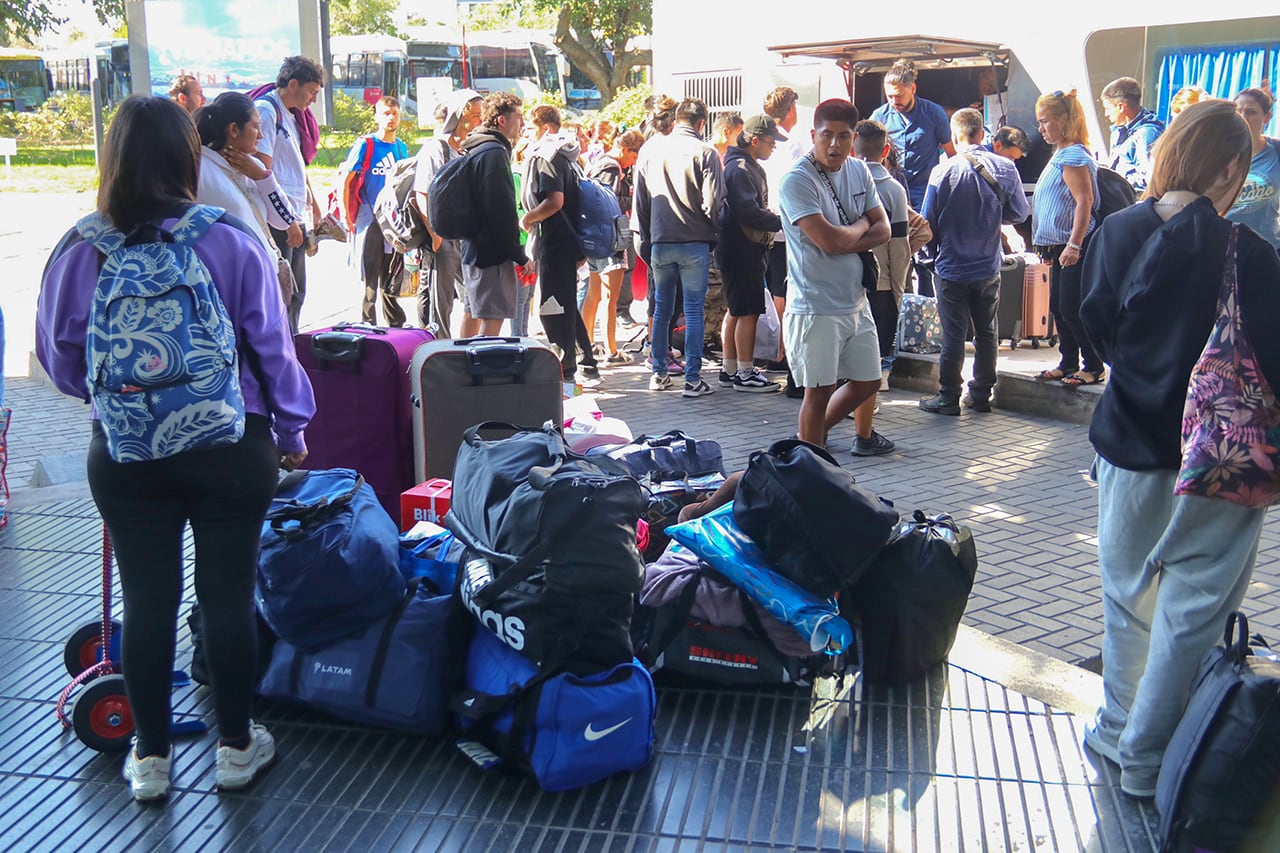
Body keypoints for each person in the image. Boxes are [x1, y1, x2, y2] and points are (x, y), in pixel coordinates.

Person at [35, 96, 315, 802]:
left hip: (127, 453)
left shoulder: (80, 246)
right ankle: (235, 746)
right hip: (231, 443)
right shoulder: (225, 237)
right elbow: (272, 349)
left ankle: (151, 758)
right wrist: (292, 430)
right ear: (189, 158)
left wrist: (121, 401)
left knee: (147, 597)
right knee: (226, 596)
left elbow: (60, 360)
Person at [1076, 98, 1280, 798]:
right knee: (1192, 612)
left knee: (1127, 599)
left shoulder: (1115, 231)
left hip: (1127, 444)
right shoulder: (1249, 253)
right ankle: (1147, 759)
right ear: (1228, 167)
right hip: (1221, 461)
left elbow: (1097, 329)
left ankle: (1116, 725)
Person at [778, 98, 891, 453]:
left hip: (855, 302)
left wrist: (849, 234)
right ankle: (811, 467)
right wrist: (860, 224)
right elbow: (829, 240)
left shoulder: (858, 170)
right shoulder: (797, 180)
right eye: (827, 135)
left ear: (854, 138)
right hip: (815, 305)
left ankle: (805, 446)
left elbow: (885, 228)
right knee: (818, 390)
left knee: (869, 380)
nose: (835, 145)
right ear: (813, 134)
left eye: (844, 137)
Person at [918, 108, 1030, 415]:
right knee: (987, 332)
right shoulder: (1006, 168)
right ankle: (980, 394)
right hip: (987, 265)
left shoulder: (942, 172)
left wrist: (928, 260)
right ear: (983, 134)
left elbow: (929, 222)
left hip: (951, 267)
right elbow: (1020, 213)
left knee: (953, 334)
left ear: (955, 136)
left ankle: (948, 396)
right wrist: (994, 216)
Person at [633, 97, 724, 397]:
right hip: (694, 242)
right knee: (693, 311)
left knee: (661, 309)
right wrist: (713, 232)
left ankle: (658, 372)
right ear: (701, 123)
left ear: (676, 119)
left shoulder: (652, 151)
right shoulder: (705, 152)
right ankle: (692, 378)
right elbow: (713, 203)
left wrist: (646, 239)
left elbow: (641, 204)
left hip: (660, 242)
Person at [194, 92, 302, 305]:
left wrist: (263, 178)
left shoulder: (255, 169)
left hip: (263, 286)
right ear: (234, 130)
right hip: (229, 291)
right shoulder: (199, 169)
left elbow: (285, 219)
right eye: (255, 127)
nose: (261, 135)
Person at [1031, 89, 1105, 387]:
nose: (1041, 128)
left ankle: (1093, 364)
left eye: (1046, 121)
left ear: (1065, 120)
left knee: (1072, 308)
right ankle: (1069, 361)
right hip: (1059, 246)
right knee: (1060, 308)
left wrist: (1074, 244)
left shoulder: (1073, 154)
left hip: (1072, 245)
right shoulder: (1062, 154)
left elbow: (1084, 201)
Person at [520, 105, 599, 382]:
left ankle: (565, 372)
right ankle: (587, 362)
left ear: (543, 128)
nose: (525, 133)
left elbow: (554, 201)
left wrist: (528, 219)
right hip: (570, 239)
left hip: (554, 240)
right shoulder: (569, 156)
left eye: (529, 128)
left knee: (552, 306)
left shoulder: (548, 156)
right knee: (564, 302)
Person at [870, 59, 957, 298]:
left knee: (925, 257)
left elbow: (951, 155)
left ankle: (926, 307)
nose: (894, 102)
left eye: (898, 96)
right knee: (893, 252)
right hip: (889, 194)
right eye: (889, 96)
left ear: (913, 89)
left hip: (924, 193)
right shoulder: (880, 116)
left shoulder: (933, 113)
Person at [255, 56, 326, 334]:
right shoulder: (266, 110)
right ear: (293, 84)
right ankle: (283, 354)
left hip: (295, 214)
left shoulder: (292, 114)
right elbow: (262, 169)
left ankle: (293, 348)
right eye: (311, 92)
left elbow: (296, 165)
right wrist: (287, 220)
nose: (313, 100)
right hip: (280, 219)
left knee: (297, 293)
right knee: (283, 295)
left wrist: (313, 204)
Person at [716, 114, 785, 393]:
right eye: (770, 142)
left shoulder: (741, 165)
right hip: (742, 248)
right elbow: (748, 212)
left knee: (737, 308)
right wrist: (782, 220)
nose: (773, 147)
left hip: (736, 248)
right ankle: (745, 372)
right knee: (748, 311)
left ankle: (730, 368)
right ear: (754, 140)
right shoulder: (741, 169)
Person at [458, 92, 531, 338]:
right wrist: (520, 256)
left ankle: (461, 370)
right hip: (491, 254)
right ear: (501, 120)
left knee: (472, 314)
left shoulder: (476, 145)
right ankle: (482, 374)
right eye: (519, 117)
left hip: (472, 249)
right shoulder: (495, 152)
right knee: (491, 324)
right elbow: (502, 213)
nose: (522, 123)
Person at [852, 118, 913, 404]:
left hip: (846, 276)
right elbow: (899, 243)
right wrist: (899, 286)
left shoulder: (841, 181)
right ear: (885, 150)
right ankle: (875, 386)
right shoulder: (893, 190)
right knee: (878, 337)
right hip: (883, 279)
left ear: (853, 148)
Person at [412, 88, 482, 335]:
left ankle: (464, 350)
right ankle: (439, 353)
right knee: (441, 305)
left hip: (467, 236)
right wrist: (435, 235)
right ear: (460, 116)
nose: (480, 121)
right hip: (443, 236)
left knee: (474, 298)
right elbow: (423, 193)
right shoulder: (436, 148)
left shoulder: (470, 148)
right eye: (475, 115)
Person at [341, 97, 410, 327]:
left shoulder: (401, 148)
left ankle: (395, 326)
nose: (391, 118)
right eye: (386, 113)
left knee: (392, 277)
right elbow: (346, 179)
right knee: (371, 276)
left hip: (393, 222)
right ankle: (368, 324)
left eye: (395, 113)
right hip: (369, 217)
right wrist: (346, 215)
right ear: (377, 116)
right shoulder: (366, 145)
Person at [583, 130, 644, 364]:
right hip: (610, 237)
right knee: (611, 296)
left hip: (595, 237)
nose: (634, 161)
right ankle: (611, 350)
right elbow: (608, 200)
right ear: (626, 149)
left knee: (594, 294)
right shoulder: (612, 168)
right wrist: (633, 198)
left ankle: (588, 345)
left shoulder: (600, 163)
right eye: (634, 155)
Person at [762, 86, 807, 389]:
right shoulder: (792, 144)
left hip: (763, 224)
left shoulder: (762, 140)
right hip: (787, 225)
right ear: (791, 110)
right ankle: (781, 351)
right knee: (785, 292)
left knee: (774, 289)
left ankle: (775, 350)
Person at [1225, 87, 1280, 251]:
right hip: (1224, 245)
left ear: (1267, 117)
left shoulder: (1276, 151)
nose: (1243, 117)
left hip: (1267, 247)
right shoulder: (1218, 153)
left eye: (1251, 112)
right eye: (1238, 111)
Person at [1101, 77, 1165, 192]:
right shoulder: (1117, 131)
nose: (1106, 114)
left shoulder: (1147, 134)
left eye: (1108, 108)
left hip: (1134, 202)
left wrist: (1118, 180)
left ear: (1121, 107)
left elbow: (1149, 180)